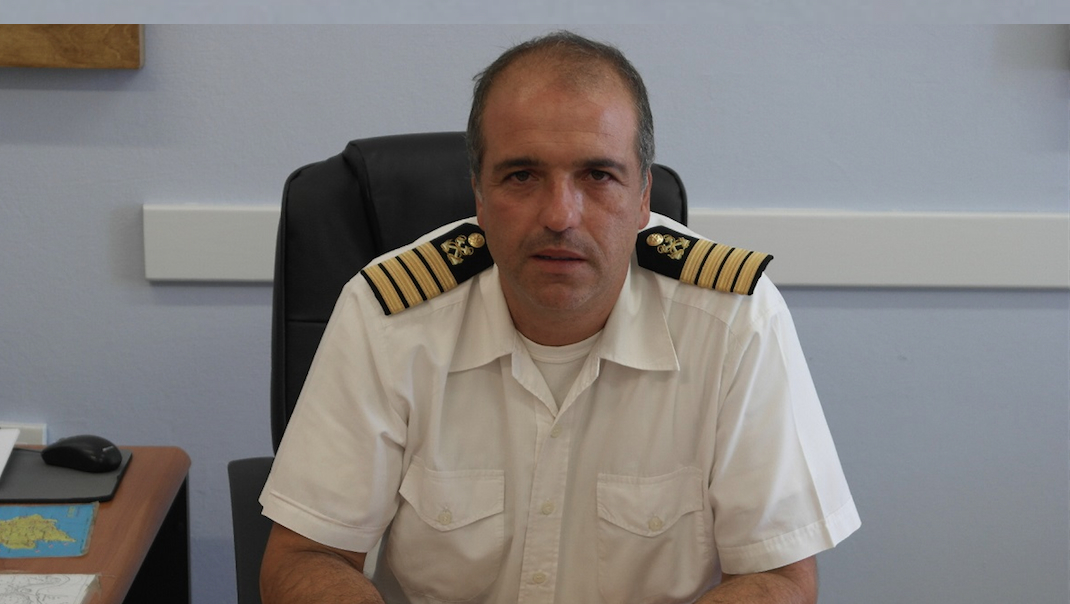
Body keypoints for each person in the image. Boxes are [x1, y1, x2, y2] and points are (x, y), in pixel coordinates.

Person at [259, 30, 859, 604]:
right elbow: (305, 557)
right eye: (522, 176)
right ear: (479, 195)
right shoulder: (388, 315)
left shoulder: (735, 322)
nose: (560, 215)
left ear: (643, 197)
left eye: (598, 175)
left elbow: (780, 576)